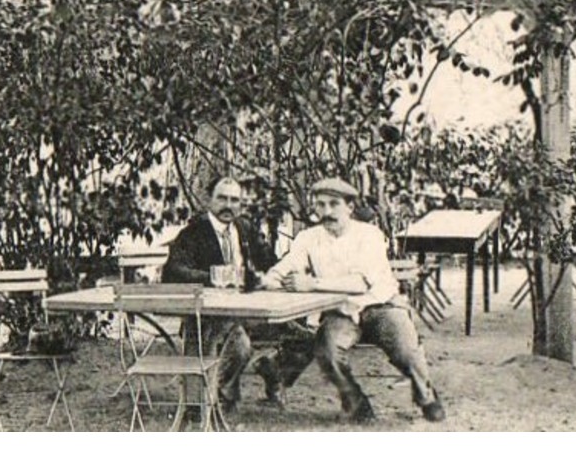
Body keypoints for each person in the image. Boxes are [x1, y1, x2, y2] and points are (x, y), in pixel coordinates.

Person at [260, 177, 447, 424]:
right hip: (340, 312)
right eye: (320, 205)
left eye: (334, 204)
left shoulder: (370, 235)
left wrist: (312, 284)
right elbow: (284, 268)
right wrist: (272, 278)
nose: (327, 212)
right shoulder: (308, 238)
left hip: (381, 305)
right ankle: (355, 401)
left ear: (349, 207)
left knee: (406, 349)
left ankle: (426, 395)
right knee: (327, 351)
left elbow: (361, 284)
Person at [163, 176, 283, 412]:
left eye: (234, 200)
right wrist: (213, 278)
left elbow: (270, 262)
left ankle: (267, 370)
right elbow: (173, 271)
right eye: (222, 198)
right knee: (239, 346)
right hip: (212, 314)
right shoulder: (193, 232)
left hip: (250, 308)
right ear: (209, 200)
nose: (229, 205)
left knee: (305, 336)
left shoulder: (244, 228)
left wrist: (270, 277)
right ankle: (215, 396)